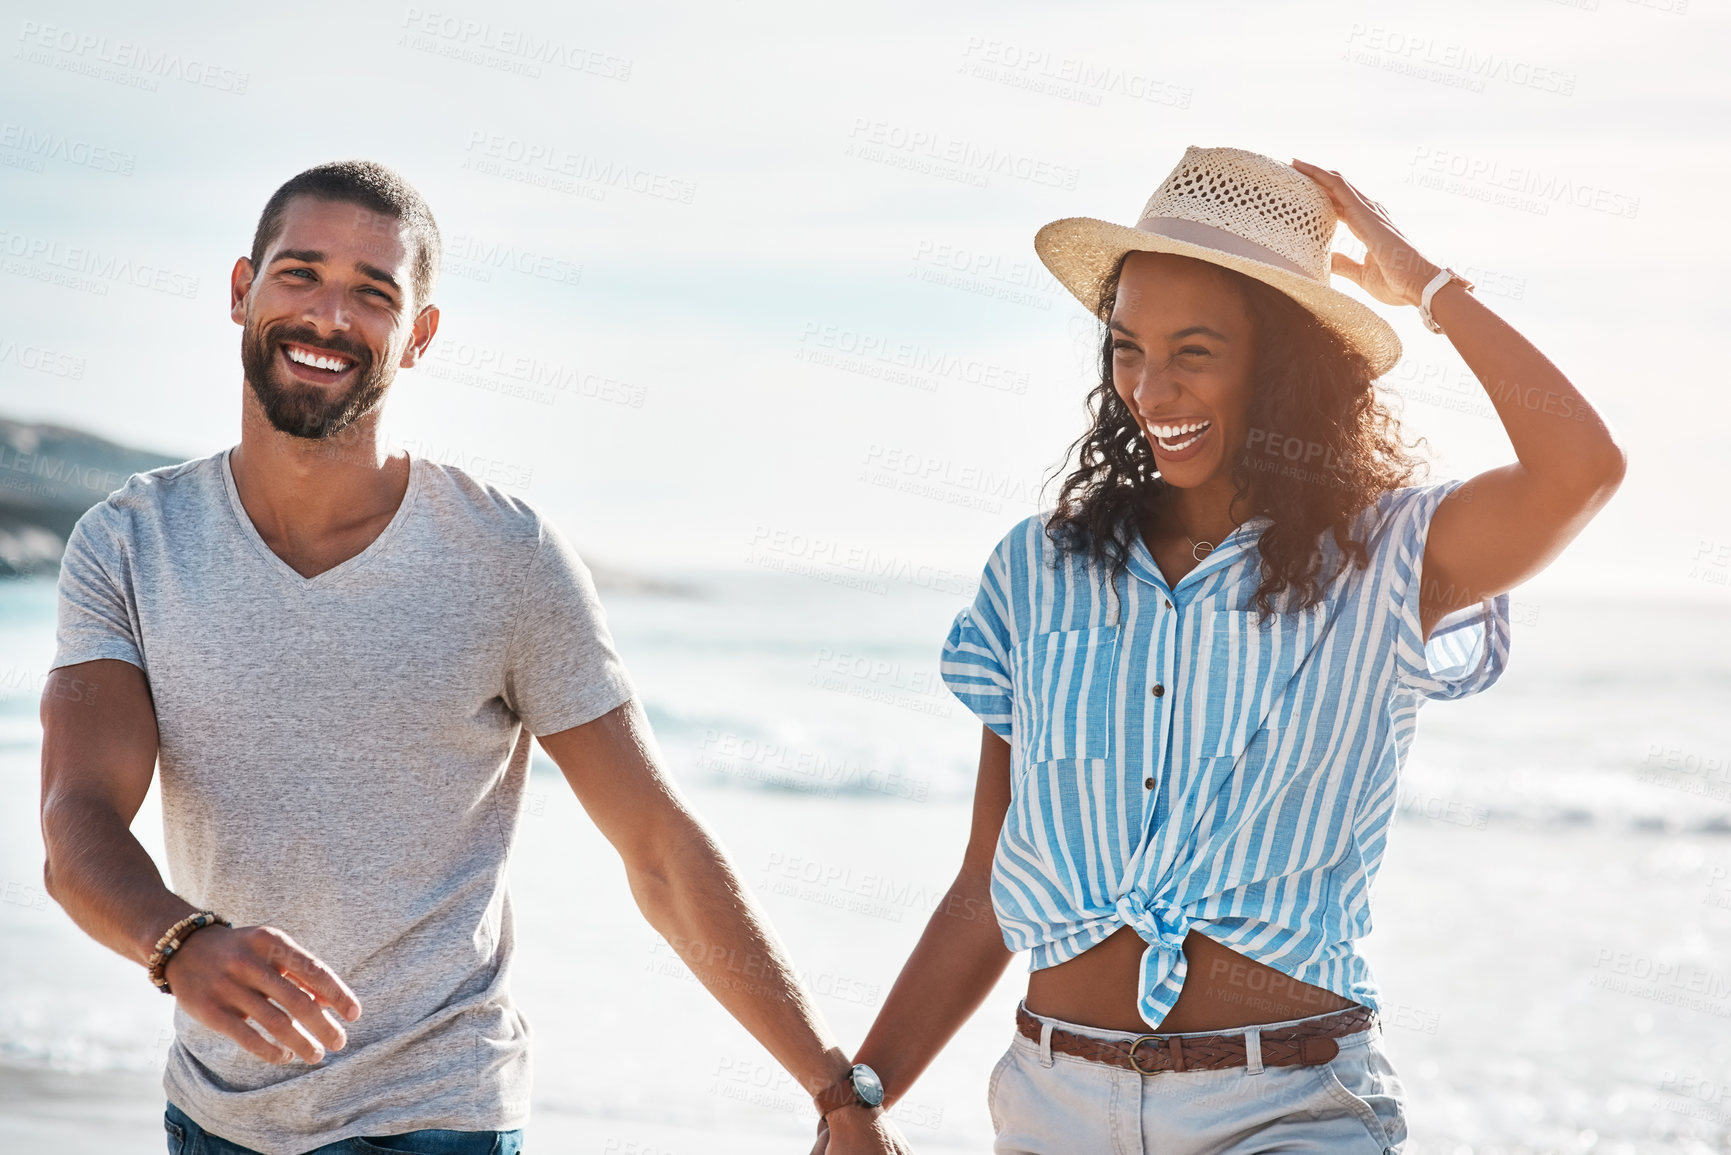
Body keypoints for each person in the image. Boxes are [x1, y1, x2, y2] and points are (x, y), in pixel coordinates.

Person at [37, 160, 911, 1155]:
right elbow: (78, 822)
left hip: (440, 1118)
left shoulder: (505, 557)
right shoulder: (131, 542)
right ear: (242, 290)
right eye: (300, 276)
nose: (329, 316)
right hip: (216, 1117)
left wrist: (835, 1088)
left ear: (419, 337)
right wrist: (179, 942)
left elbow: (659, 847)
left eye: (373, 294)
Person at [833, 146, 1625, 1153]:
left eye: (1194, 351)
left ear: (1282, 362)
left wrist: (1423, 284)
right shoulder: (1037, 572)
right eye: (1127, 348)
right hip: (1051, 1107)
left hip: (1285, 1111)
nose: (1151, 388)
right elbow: (985, 886)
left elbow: (1582, 466)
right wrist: (865, 1088)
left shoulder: (1386, 560)